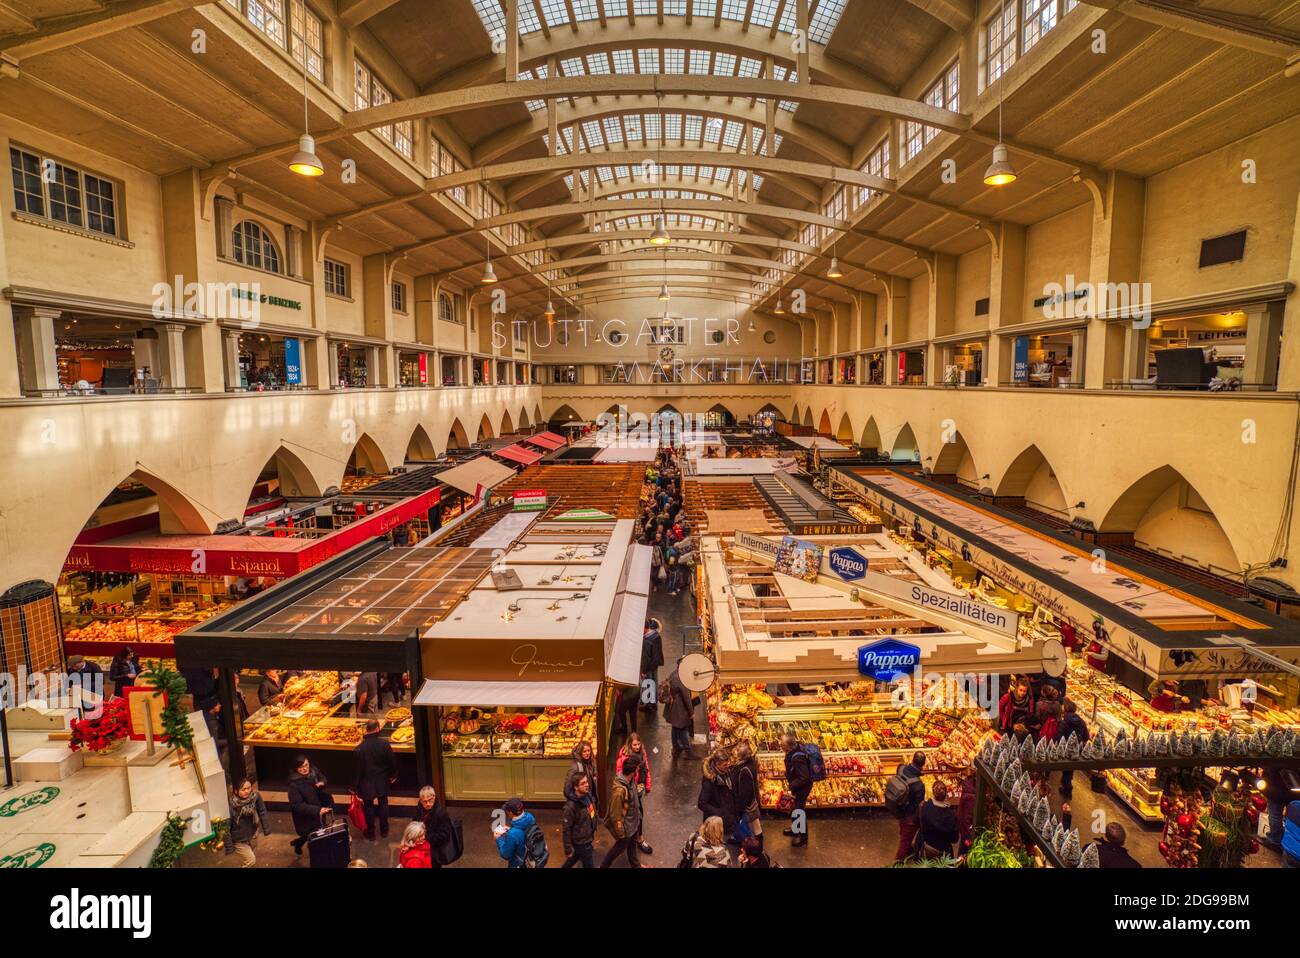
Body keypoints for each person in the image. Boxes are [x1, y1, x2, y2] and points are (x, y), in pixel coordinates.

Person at [353, 718, 397, 840]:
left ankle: (371, 832)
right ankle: (384, 829)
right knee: (383, 803)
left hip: (366, 782)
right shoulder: (384, 744)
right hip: (382, 779)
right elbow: (391, 762)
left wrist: (354, 787)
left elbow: (357, 770)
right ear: (377, 729)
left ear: (367, 730)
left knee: (368, 806)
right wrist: (393, 775)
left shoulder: (359, 748)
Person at [600, 756, 647, 868]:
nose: (638, 771)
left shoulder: (631, 780)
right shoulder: (620, 791)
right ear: (633, 771)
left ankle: (636, 866)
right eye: (637, 769)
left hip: (633, 823)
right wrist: (621, 832)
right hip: (626, 828)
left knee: (632, 846)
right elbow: (615, 815)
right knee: (619, 848)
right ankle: (603, 866)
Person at [613, 732, 654, 854]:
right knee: (636, 814)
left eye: (638, 744)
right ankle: (636, 839)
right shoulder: (624, 758)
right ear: (629, 745)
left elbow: (646, 769)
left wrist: (647, 785)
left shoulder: (642, 753)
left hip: (639, 789)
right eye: (634, 745)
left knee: (638, 814)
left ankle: (635, 838)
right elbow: (621, 776)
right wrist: (630, 789)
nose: (637, 747)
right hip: (631, 790)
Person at [287, 755, 333, 856]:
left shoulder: (314, 771)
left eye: (306, 765)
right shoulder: (294, 785)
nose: (305, 769)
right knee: (315, 840)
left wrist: (322, 782)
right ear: (296, 768)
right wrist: (317, 810)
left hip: (319, 810)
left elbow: (323, 778)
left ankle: (298, 843)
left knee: (316, 834)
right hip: (306, 816)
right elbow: (297, 805)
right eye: (301, 767)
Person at [225, 777, 271, 867]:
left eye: (248, 788)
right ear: (236, 791)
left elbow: (262, 811)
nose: (247, 791)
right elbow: (226, 828)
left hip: (253, 834)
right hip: (239, 840)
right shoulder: (231, 806)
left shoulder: (255, 797)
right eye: (243, 789)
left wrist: (266, 828)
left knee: (251, 856)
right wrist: (229, 846)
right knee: (251, 860)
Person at [892, 752, 927, 863]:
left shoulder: (901, 768)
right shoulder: (919, 786)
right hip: (909, 816)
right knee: (905, 840)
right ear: (923, 764)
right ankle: (898, 861)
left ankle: (907, 849)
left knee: (904, 832)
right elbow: (918, 805)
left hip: (899, 808)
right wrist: (919, 820)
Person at [495, 797, 547, 868]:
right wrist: (511, 829)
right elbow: (524, 833)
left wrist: (498, 838)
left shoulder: (513, 835)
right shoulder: (530, 817)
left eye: (507, 811)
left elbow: (505, 854)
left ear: (510, 812)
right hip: (531, 856)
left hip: (518, 863)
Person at [781, 733, 813, 847]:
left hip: (802, 787)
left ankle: (802, 836)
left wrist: (791, 786)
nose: (780, 745)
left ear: (788, 746)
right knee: (795, 808)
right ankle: (795, 830)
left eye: (782, 744)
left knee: (799, 810)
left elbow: (804, 777)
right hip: (798, 785)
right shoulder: (793, 750)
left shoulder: (798, 757)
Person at [561, 772, 598, 868]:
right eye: (583, 783)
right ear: (576, 787)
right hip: (581, 841)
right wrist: (568, 849)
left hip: (588, 837)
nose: (587, 785)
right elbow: (566, 829)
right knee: (589, 864)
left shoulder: (588, 796)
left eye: (587, 782)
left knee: (574, 857)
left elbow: (592, 813)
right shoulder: (570, 807)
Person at [914, 780, 959, 859]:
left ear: (933, 792)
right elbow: (954, 839)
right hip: (943, 853)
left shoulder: (924, 807)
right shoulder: (951, 815)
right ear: (945, 794)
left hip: (927, 848)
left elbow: (916, 823)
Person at [698, 749, 737, 838]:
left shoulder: (727, 773)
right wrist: (719, 812)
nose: (728, 766)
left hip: (729, 820)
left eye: (727, 763)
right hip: (717, 824)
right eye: (724, 765)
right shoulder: (709, 781)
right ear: (717, 765)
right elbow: (701, 804)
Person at [663, 656, 698, 757]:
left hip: (673, 709)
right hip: (679, 710)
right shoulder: (680, 678)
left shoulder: (674, 673)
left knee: (675, 729)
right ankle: (689, 752)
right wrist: (691, 713)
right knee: (683, 730)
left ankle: (676, 747)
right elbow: (686, 697)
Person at [412, 786, 452, 867]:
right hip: (421, 846)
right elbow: (415, 820)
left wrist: (425, 837)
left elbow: (445, 835)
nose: (428, 804)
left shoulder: (441, 814)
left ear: (434, 797)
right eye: (425, 802)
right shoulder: (420, 806)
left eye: (430, 800)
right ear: (420, 800)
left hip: (434, 851)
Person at [1056, 700, 1090, 798]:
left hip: (1065, 749)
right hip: (1076, 750)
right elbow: (1086, 737)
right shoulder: (1081, 722)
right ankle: (1067, 786)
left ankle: (1067, 789)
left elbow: (1059, 736)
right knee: (1069, 768)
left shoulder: (1064, 722)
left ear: (1065, 710)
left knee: (1066, 768)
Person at [730, 742, 762, 843]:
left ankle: (757, 846)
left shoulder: (744, 771)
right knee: (754, 825)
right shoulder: (748, 763)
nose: (733, 756)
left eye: (735, 754)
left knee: (754, 826)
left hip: (748, 804)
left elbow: (745, 793)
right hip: (750, 802)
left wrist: (739, 808)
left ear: (741, 757)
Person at [640, 619, 664, 707]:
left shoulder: (646, 641)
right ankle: (654, 701)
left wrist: (643, 671)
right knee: (654, 681)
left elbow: (646, 658)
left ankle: (648, 703)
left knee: (648, 683)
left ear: (644, 628)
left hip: (649, 666)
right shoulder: (656, 635)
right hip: (656, 663)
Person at [568, 740, 598, 805]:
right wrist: (579, 801)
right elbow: (567, 789)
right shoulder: (576, 767)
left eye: (588, 751)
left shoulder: (591, 762)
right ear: (580, 752)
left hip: (589, 799)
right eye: (584, 751)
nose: (587, 753)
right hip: (581, 801)